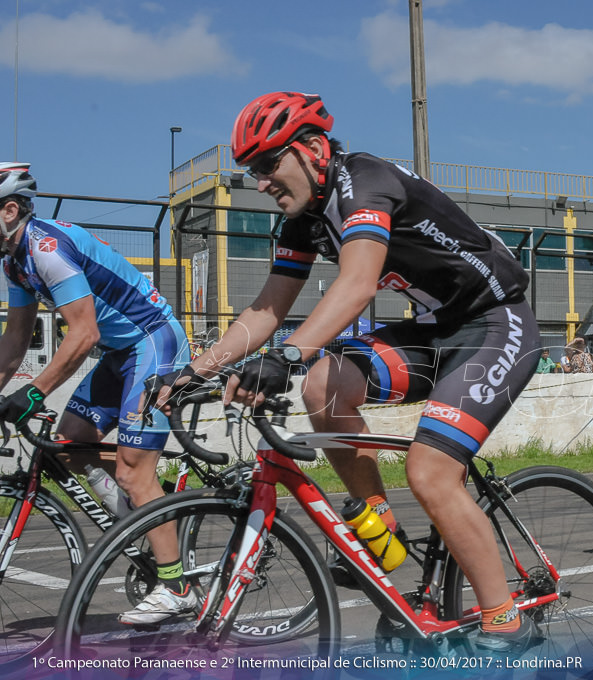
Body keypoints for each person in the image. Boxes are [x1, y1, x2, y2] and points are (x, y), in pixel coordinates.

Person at [151, 92, 542, 652]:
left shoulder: (366, 180)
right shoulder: (303, 221)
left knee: (430, 472)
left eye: (266, 165)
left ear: (312, 150)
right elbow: (266, 309)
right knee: (323, 382)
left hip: (496, 322)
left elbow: (357, 283)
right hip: (434, 328)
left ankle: (505, 619)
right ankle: (377, 526)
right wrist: (193, 372)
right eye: (251, 171)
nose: (259, 182)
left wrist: (287, 354)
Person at [0, 162, 195, 623]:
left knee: (131, 470)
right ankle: (155, 509)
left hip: (152, 341)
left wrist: (32, 393)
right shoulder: (14, 260)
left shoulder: (45, 248)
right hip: (117, 354)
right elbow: (14, 341)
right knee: (69, 443)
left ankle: (177, 586)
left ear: (9, 210)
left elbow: (82, 333)